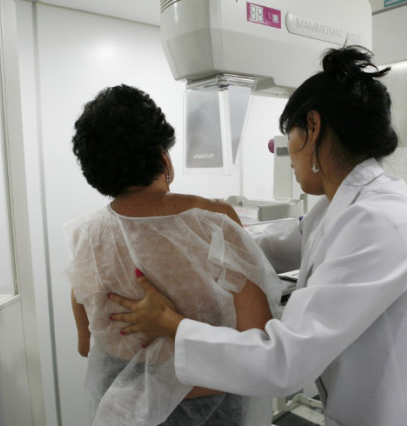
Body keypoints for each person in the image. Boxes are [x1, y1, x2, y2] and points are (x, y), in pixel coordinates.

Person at [107, 46, 407, 426]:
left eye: (289, 135)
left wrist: (171, 324)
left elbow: (282, 363)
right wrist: (204, 236)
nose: (290, 155)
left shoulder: (378, 223)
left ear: (312, 128)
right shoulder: (345, 207)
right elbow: (284, 241)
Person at [66, 84, 281, 426]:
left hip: (119, 412)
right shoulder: (214, 222)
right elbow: (260, 340)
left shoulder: (85, 236)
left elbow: (85, 344)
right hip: (210, 412)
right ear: (162, 157)